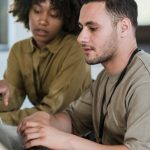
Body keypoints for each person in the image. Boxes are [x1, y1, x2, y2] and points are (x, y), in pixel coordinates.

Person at [18, 0, 150, 150]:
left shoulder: (145, 80)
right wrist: (48, 120)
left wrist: (64, 141)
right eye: (81, 28)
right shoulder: (104, 78)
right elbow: (74, 120)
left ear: (123, 28)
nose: (81, 38)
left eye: (92, 28)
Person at [0, 0, 91, 125]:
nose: (43, 21)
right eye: (37, 11)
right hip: (42, 132)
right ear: (26, 11)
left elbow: (52, 110)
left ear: (66, 18)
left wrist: (2, 120)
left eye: (54, 14)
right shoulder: (18, 50)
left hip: (78, 133)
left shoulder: (75, 48)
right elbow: (11, 99)